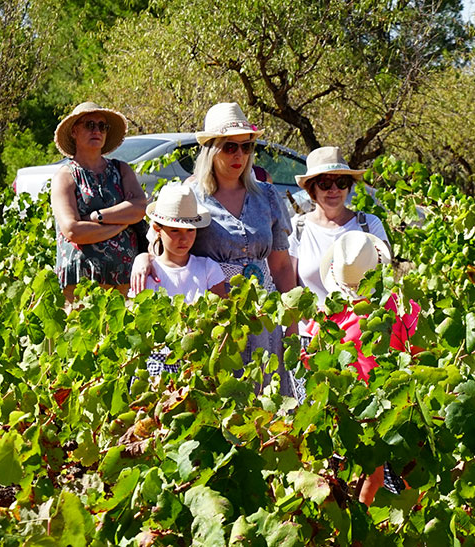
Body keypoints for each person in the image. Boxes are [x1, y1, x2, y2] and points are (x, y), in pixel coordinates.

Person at [132, 102, 297, 395]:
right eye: (230, 147)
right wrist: (143, 258)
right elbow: (164, 244)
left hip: (263, 312)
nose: (240, 155)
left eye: (246, 147)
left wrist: (292, 321)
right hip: (214, 317)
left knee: (267, 402)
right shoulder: (192, 196)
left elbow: (281, 267)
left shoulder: (268, 196)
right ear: (211, 149)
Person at [316, 230, 420, 505]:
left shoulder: (329, 317)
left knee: (365, 481)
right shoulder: (403, 308)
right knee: (400, 481)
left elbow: (312, 362)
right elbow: (421, 358)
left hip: (352, 413)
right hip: (396, 409)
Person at [288, 145, 389, 346]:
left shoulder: (369, 225)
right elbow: (288, 288)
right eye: (325, 183)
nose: (334, 190)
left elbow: (384, 278)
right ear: (312, 188)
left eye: (341, 182)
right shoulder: (297, 228)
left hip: (362, 337)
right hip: (311, 338)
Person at [51, 102, 148, 302]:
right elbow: (72, 230)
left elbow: (139, 207)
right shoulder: (66, 176)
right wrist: (123, 223)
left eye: (102, 126)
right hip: (81, 284)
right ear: (74, 131)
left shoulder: (121, 170)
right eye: (90, 125)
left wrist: (97, 217)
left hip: (124, 280)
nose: (97, 130)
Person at [130, 185, 227, 374]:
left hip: (198, 361)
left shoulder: (208, 268)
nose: (184, 239)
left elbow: (221, 320)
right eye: (175, 231)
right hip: (156, 364)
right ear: (158, 229)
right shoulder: (146, 274)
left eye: (190, 230)